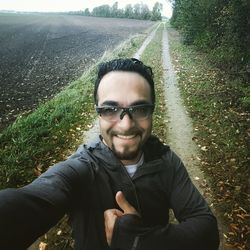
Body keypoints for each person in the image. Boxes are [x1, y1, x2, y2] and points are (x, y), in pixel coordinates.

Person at [0, 58, 220, 250]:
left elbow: (207, 232)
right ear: (98, 112)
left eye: (140, 109)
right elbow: (30, 203)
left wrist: (141, 241)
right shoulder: (81, 168)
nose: (126, 125)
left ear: (152, 112)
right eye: (109, 109)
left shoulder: (167, 162)